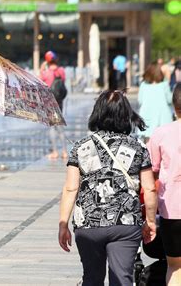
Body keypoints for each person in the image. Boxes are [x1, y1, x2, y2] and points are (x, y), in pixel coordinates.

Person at [59, 89, 158, 286]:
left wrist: (63, 223)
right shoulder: (137, 147)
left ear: (98, 112)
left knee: (92, 278)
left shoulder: (81, 147)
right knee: (122, 278)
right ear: (126, 115)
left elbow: (71, 188)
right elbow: (150, 189)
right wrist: (150, 221)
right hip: (126, 223)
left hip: (88, 224)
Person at [147, 83, 181, 286]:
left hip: (171, 209)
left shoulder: (161, 133)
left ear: (173, 104)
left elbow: (151, 170)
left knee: (175, 267)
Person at [39, 50, 68, 160]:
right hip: (59, 102)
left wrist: (42, 69)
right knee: (60, 126)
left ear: (47, 61)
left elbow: (39, 82)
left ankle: (55, 151)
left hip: (49, 103)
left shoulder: (46, 73)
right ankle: (65, 152)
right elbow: (63, 82)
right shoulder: (61, 71)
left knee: (52, 127)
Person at [138, 62, 172, 142]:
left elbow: (140, 101)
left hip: (147, 116)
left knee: (148, 143)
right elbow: (170, 100)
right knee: (162, 142)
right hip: (162, 118)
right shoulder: (164, 84)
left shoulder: (143, 85)